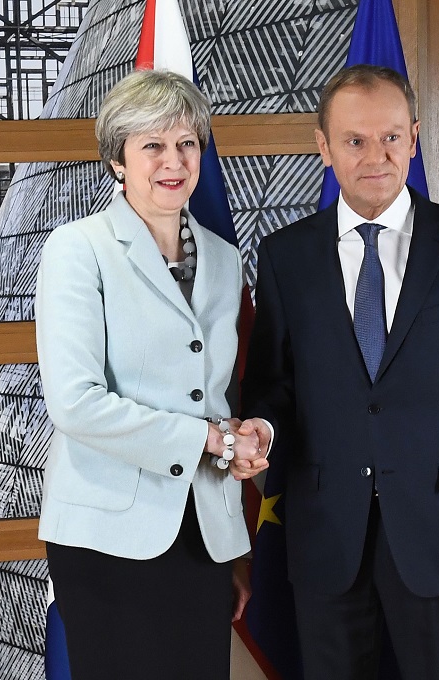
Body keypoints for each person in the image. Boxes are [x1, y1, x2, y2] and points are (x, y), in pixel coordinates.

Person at [239, 64, 439, 680]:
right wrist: (264, 432)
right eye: (354, 140)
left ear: (416, 136)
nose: (376, 156)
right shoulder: (285, 256)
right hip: (326, 537)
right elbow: (273, 386)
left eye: (392, 138)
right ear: (323, 146)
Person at [35, 69, 268, 680]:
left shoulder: (222, 257)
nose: (174, 161)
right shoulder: (77, 248)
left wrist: (236, 450)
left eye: (187, 143)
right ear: (118, 159)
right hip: (108, 534)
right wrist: (207, 441)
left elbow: (214, 394)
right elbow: (74, 402)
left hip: (203, 533)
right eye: (153, 146)